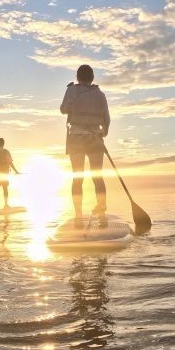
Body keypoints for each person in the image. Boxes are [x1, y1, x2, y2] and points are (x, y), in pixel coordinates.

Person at [60, 64, 110, 228]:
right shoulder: (100, 95)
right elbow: (107, 120)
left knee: (77, 177)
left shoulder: (72, 90)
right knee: (97, 176)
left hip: (76, 138)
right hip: (96, 139)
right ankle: (102, 213)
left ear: (78, 77)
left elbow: (63, 110)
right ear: (92, 78)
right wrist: (104, 132)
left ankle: (78, 216)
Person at [0, 137, 20, 209]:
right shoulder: (5, 152)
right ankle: (4, 204)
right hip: (3, 174)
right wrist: (16, 171)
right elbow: (10, 163)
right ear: (3, 144)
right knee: (4, 188)